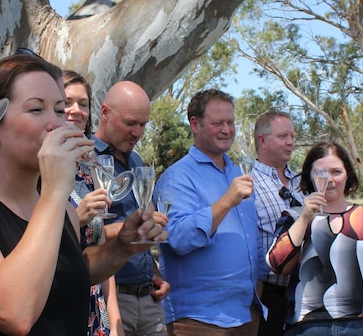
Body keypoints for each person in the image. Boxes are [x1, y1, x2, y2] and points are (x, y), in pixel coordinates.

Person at [0, 56, 167, 335]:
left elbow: (68, 276)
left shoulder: (60, 208)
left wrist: (122, 248)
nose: (57, 124)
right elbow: (13, 313)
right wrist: (55, 190)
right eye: (37, 109)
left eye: (59, 110)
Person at [155, 89, 267, 335]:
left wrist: (257, 285)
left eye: (230, 122)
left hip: (246, 314)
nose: (227, 130)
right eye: (218, 123)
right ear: (195, 124)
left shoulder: (238, 174)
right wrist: (226, 201)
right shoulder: (177, 178)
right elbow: (178, 239)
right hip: (199, 320)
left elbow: (252, 238)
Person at [267, 141, 363, 336]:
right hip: (307, 327)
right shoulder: (294, 217)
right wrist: (305, 217)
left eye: (336, 172)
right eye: (320, 173)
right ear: (309, 176)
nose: (329, 179)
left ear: (347, 174)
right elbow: (277, 265)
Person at [95, 81, 170, 336]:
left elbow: (138, 221)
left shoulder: (135, 160)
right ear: (105, 113)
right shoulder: (84, 158)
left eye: (143, 124)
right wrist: (129, 228)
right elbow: (83, 231)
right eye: (130, 123)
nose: (138, 132)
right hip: (111, 297)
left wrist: (155, 272)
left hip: (147, 297)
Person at [64, 69, 124, 335]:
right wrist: (77, 217)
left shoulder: (89, 167)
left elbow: (99, 248)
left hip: (94, 310)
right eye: (66, 103)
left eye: (83, 103)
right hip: (56, 303)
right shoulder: (32, 167)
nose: (76, 110)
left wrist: (114, 319)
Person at [249, 111, 303, 335]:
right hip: (265, 294)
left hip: (302, 294)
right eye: (282, 136)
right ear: (262, 140)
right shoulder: (246, 183)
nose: (290, 142)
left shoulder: (304, 183)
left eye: (292, 136)